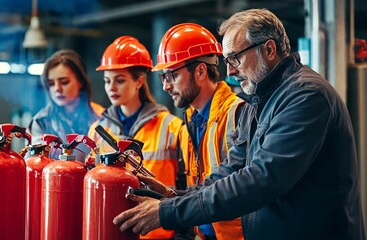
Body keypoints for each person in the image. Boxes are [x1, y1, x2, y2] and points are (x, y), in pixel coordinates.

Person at [113, 8, 365, 240]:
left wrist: (168, 213)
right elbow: (231, 169)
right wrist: (174, 196)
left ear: (268, 49)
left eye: (235, 59)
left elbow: (262, 179)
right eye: (226, 61)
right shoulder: (260, 101)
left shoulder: (306, 96)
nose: (230, 72)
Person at [151, 23, 244, 240]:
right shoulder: (187, 127)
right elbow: (201, 189)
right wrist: (170, 194)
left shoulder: (238, 114)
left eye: (171, 75)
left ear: (201, 70)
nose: (165, 86)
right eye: (162, 77)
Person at [87, 36, 183, 240]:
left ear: (139, 81)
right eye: (107, 81)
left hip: (158, 233)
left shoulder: (172, 127)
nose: (111, 88)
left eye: (119, 80)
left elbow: (186, 187)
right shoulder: (97, 131)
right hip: (109, 230)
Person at [28, 49, 104, 162]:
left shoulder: (101, 119)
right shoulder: (41, 122)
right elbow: (33, 166)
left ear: (80, 81)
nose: (57, 89)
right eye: (51, 84)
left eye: (64, 82)